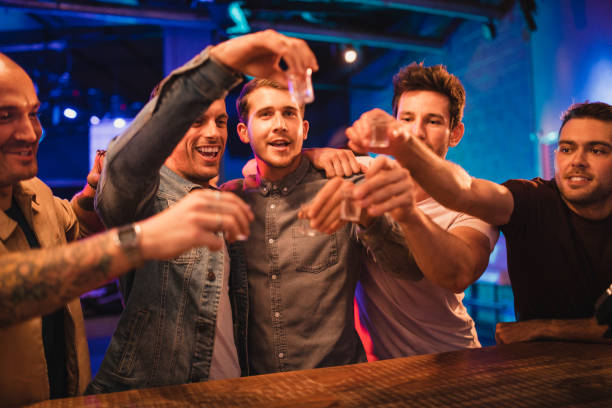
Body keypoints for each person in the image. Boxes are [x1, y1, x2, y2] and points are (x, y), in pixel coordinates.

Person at [0, 53, 251, 407]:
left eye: (33, 114)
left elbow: (75, 232)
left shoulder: (34, 194)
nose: (30, 132)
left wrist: (91, 195)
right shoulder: (149, 195)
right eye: (5, 116)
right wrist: (143, 238)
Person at [89, 30, 331, 393]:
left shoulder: (226, 201)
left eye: (219, 121)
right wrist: (225, 60)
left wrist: (314, 157)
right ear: (166, 131)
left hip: (231, 392)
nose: (213, 133)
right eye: (196, 121)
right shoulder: (145, 199)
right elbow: (125, 167)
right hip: (159, 397)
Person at [348, 94, 612, 344]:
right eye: (566, 148)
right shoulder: (531, 199)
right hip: (540, 373)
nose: (577, 161)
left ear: (455, 132)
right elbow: (466, 190)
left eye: (597, 150)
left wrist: (546, 328)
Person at [221, 78, 421, 375]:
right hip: (256, 389)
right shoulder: (228, 200)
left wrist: (368, 217)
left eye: (289, 113)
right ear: (243, 132)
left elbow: (408, 267)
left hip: (340, 385)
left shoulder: (348, 187)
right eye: (265, 115)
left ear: (303, 129)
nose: (280, 125)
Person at [306, 63, 498, 358]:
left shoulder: (472, 203)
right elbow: (270, 166)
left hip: (455, 357)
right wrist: (317, 154)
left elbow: (459, 273)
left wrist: (399, 212)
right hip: (388, 369)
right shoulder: (365, 173)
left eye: (433, 121)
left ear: (455, 133)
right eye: (407, 118)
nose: (415, 133)